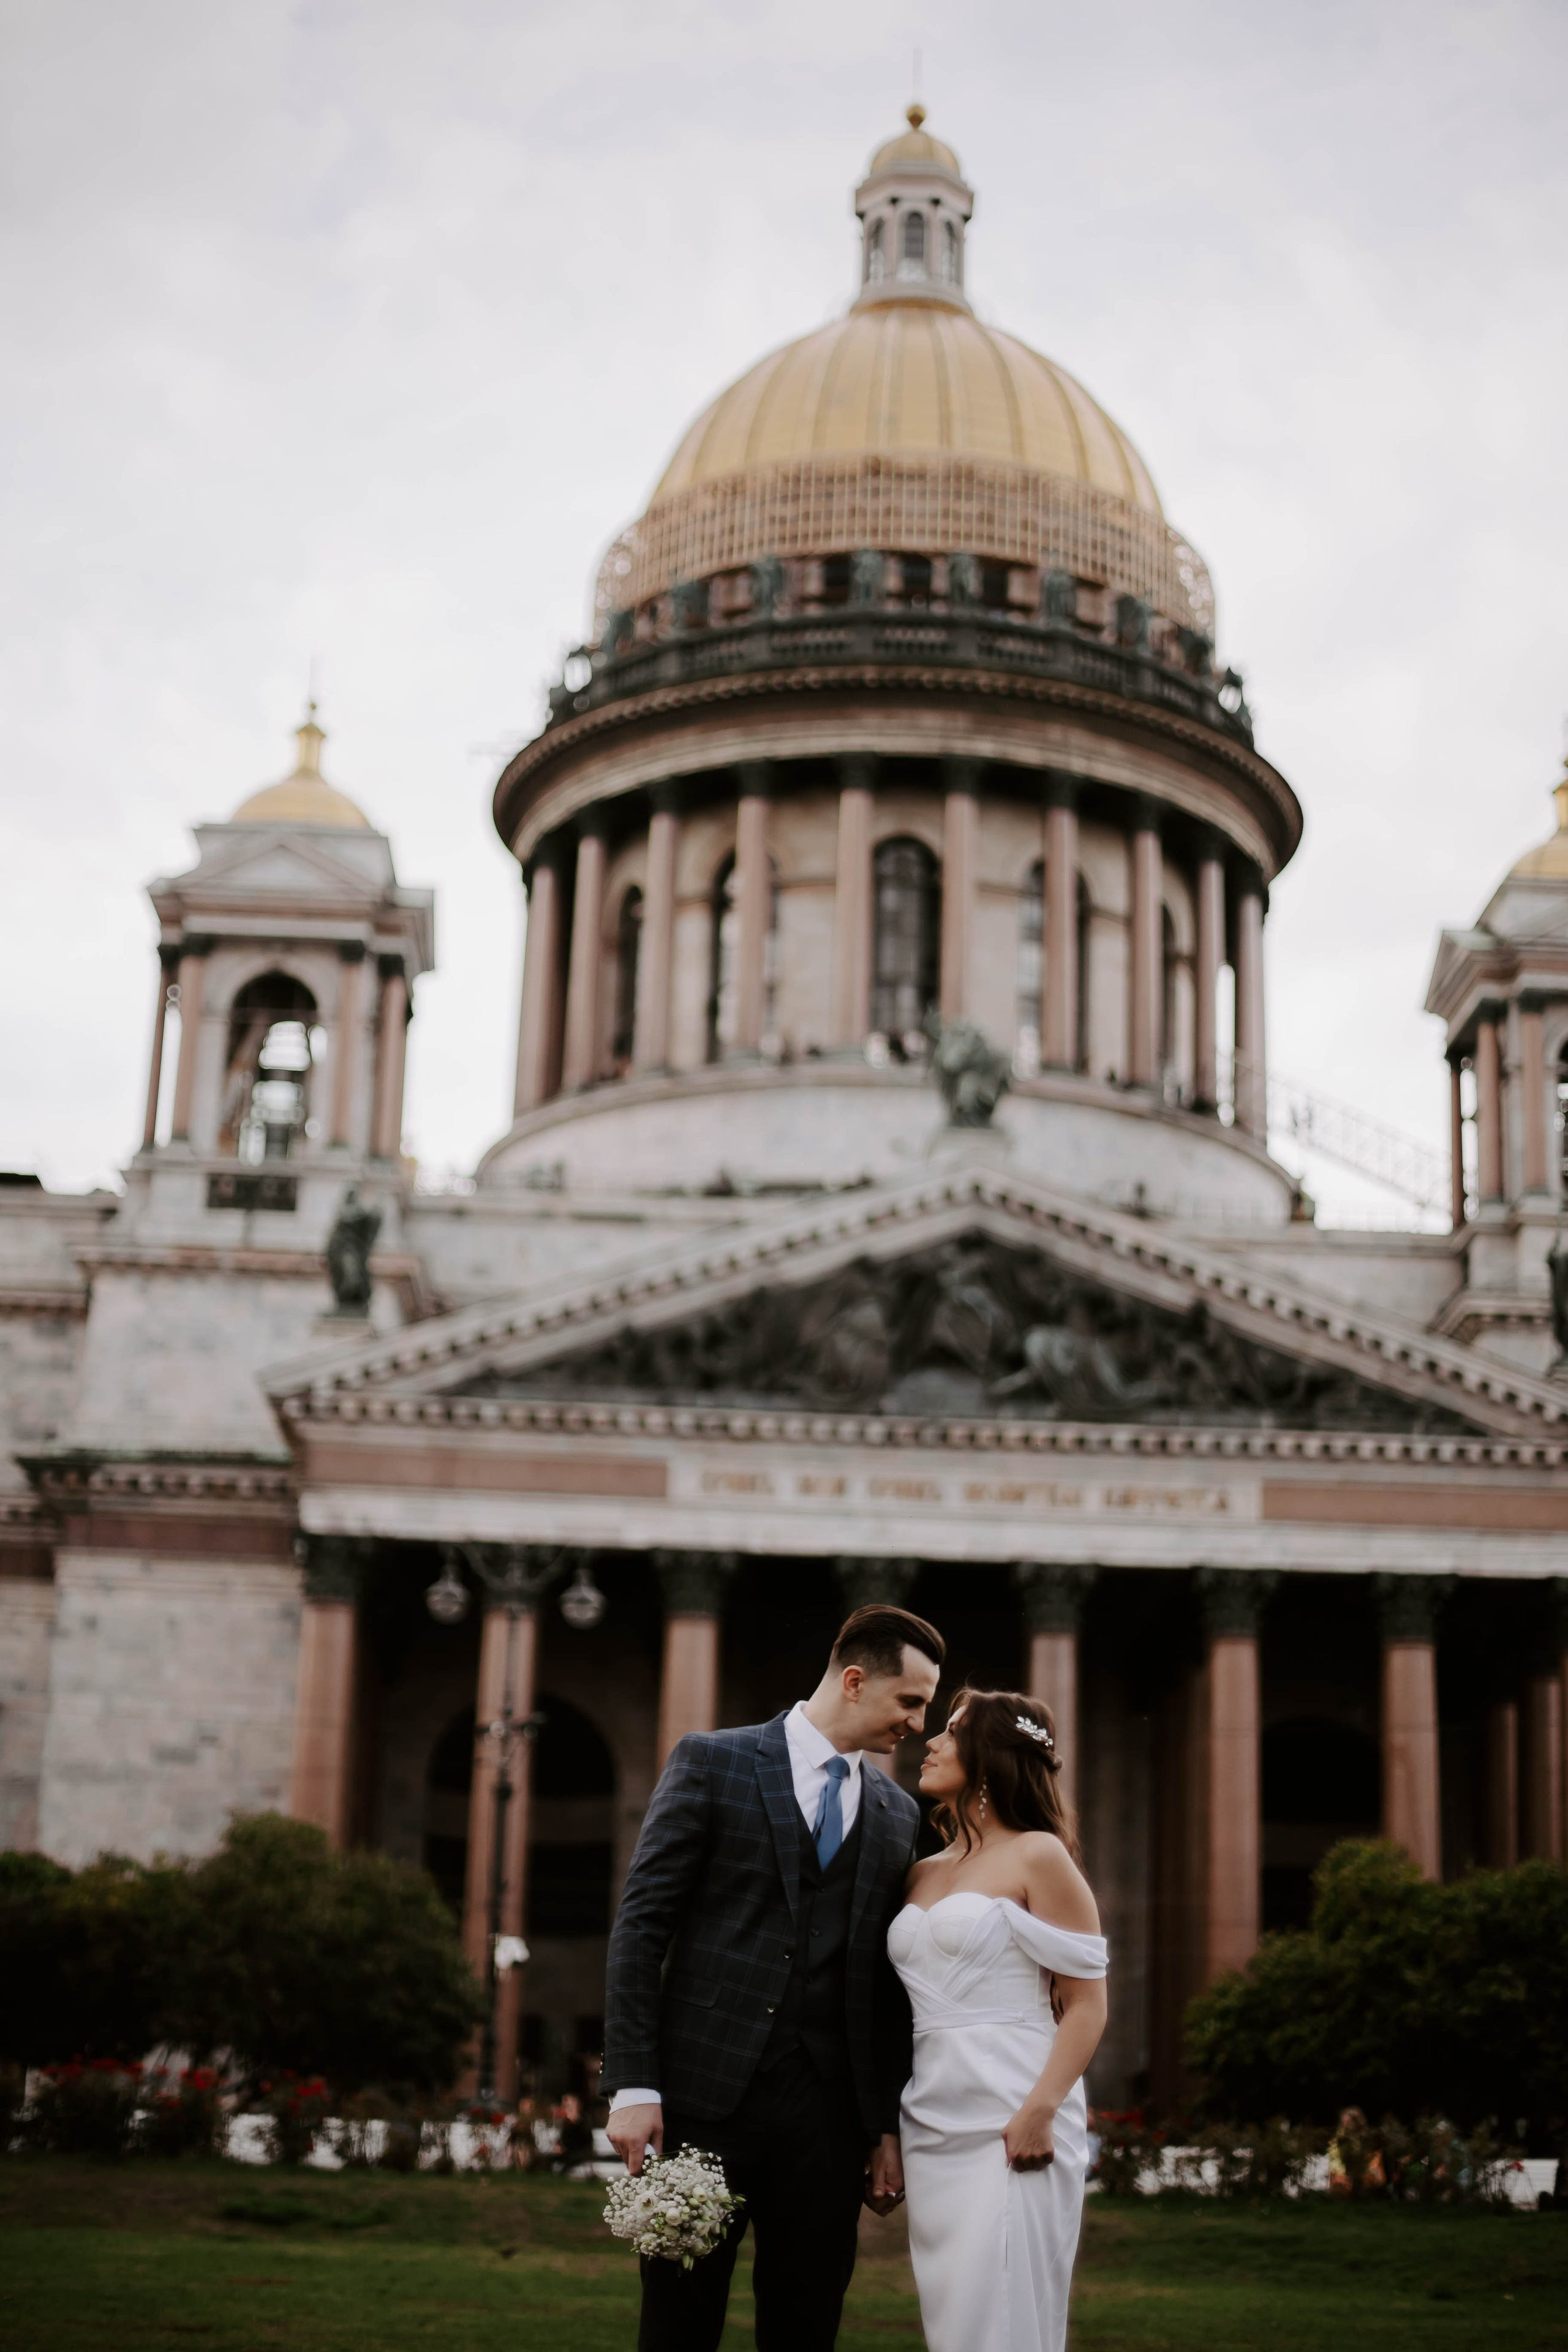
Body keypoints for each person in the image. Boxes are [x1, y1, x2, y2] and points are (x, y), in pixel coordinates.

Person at [603, 1603, 945, 2350]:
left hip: (827, 2123)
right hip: (701, 2105)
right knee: (677, 2328)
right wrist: (633, 2086)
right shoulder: (711, 1760)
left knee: (805, 2327)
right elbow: (641, 1927)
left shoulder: (895, 1812)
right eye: (910, 1702)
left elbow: (884, 1987)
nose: (918, 1724)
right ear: (854, 1681)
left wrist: (883, 2125)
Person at [888, 1687, 1109, 2352]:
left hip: (1015, 2109)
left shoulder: (1039, 1855)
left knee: (1005, 2313)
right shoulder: (919, 1873)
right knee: (954, 2321)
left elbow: (1087, 2004)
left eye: (950, 1732)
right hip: (930, 2117)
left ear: (987, 1757)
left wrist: (1040, 2109)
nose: (929, 1741)